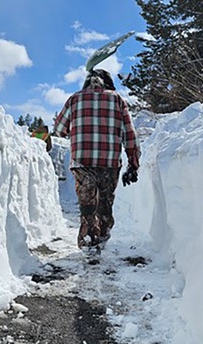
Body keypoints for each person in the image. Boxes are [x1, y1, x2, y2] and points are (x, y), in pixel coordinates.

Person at [53, 69, 140, 249]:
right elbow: (129, 134)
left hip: (81, 161)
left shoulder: (74, 99)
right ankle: (101, 236)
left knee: (87, 203)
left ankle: (88, 237)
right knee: (105, 203)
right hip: (109, 162)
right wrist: (133, 163)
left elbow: (59, 129)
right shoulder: (117, 100)